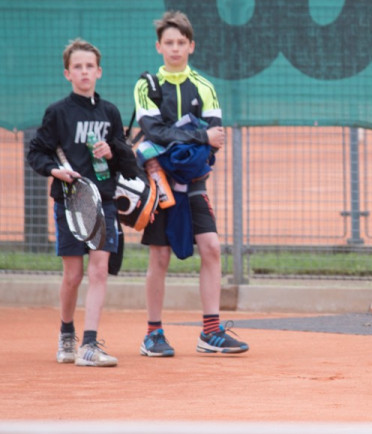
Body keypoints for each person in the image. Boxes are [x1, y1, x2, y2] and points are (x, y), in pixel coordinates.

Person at [133, 10, 248, 357]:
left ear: (191, 46)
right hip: (159, 184)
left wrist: (185, 142)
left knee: (211, 248)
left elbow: (216, 139)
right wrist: (197, 136)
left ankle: (210, 332)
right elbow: (153, 131)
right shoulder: (146, 86)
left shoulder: (204, 86)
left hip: (195, 182)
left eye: (181, 42)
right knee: (160, 257)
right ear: (159, 47)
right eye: (169, 43)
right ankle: (153, 335)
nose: (175, 48)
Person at [27, 38, 138, 367]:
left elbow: (128, 165)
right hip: (70, 204)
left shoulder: (110, 113)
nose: (84, 71)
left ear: (99, 72)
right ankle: (66, 334)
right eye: (78, 67)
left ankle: (89, 346)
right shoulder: (57, 113)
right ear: (67, 73)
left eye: (90, 66)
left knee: (100, 271)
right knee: (73, 276)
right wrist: (55, 170)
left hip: (103, 202)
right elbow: (37, 152)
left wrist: (113, 151)